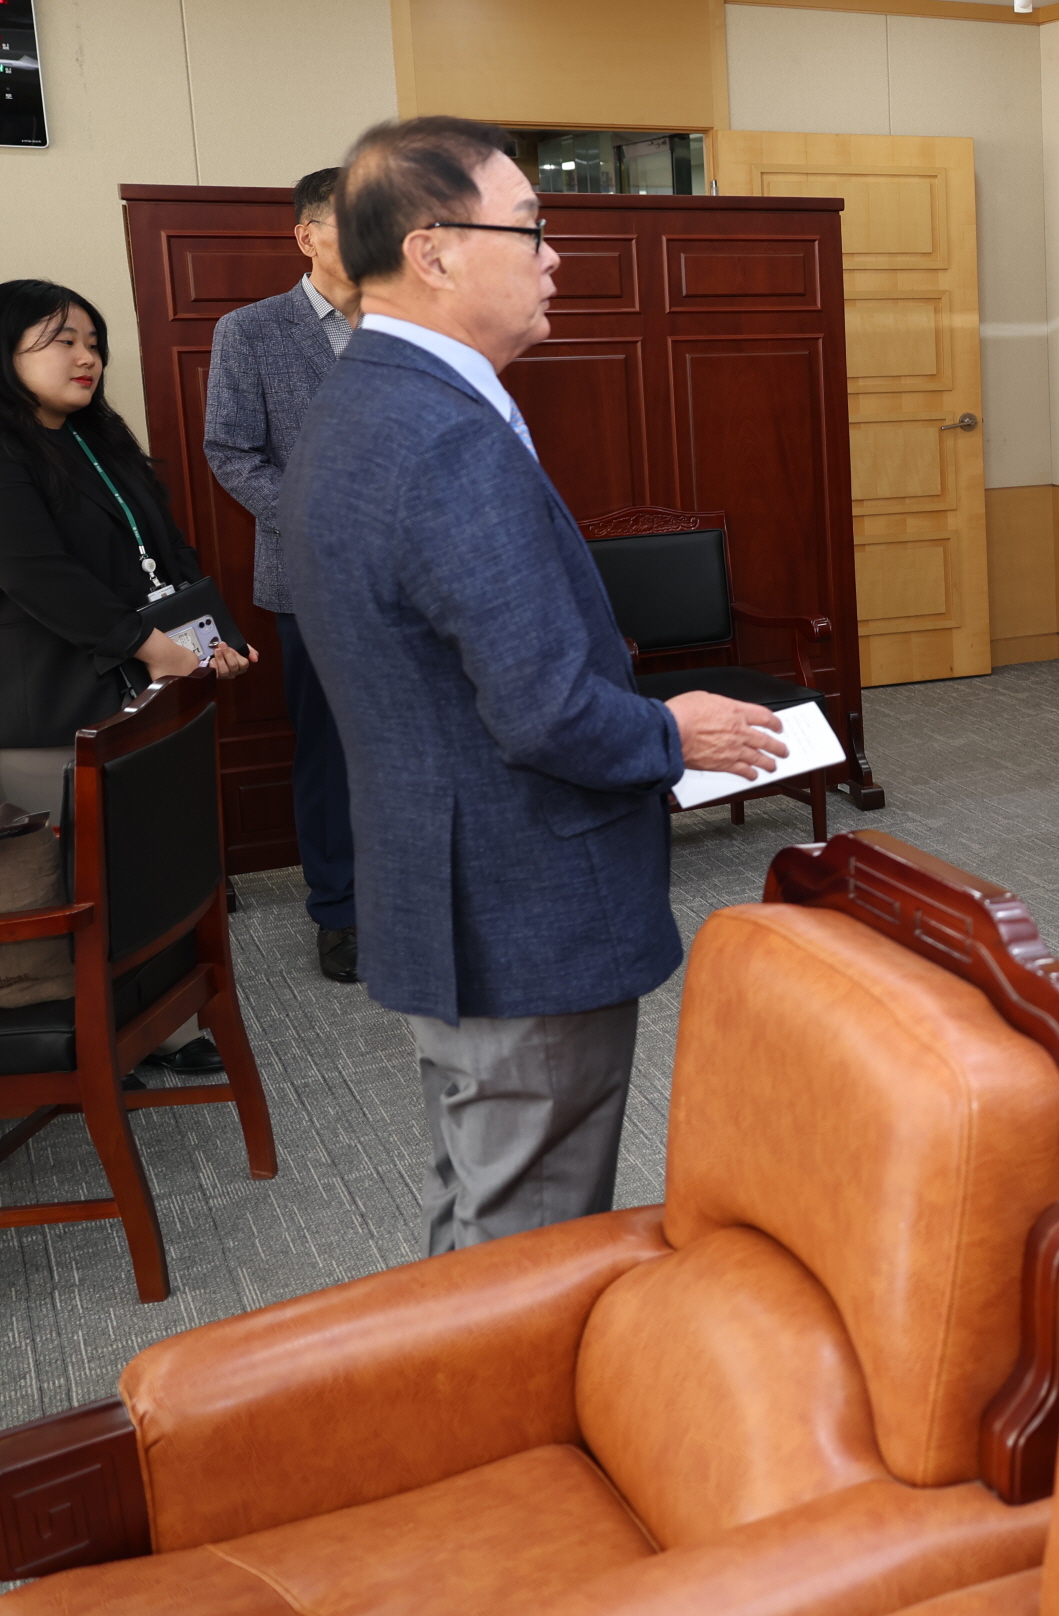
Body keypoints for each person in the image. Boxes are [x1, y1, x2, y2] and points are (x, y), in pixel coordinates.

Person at [281, 116, 782, 1252]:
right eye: (534, 229)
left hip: (444, 885)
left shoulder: (361, 400)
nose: (556, 256)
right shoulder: (442, 434)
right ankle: (495, 1429)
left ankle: (463, 1412)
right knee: (528, 1245)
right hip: (521, 905)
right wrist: (672, 732)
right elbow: (545, 707)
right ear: (434, 249)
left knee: (476, 1203)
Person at [1, 278, 256, 1078]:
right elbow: (41, 578)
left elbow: (170, 553)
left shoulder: (98, 438)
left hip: (145, 686)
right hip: (51, 699)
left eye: (92, 340)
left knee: (149, 864)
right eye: (61, 341)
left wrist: (216, 638)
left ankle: (164, 1022)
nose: (87, 357)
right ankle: (101, 1033)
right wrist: (146, 646)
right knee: (78, 878)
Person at [202, 167, 363, 982]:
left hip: (424, 580)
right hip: (313, 581)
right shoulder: (251, 331)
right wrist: (317, 517)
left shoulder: (421, 323)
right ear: (307, 235)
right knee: (331, 752)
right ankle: (340, 913)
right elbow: (230, 452)